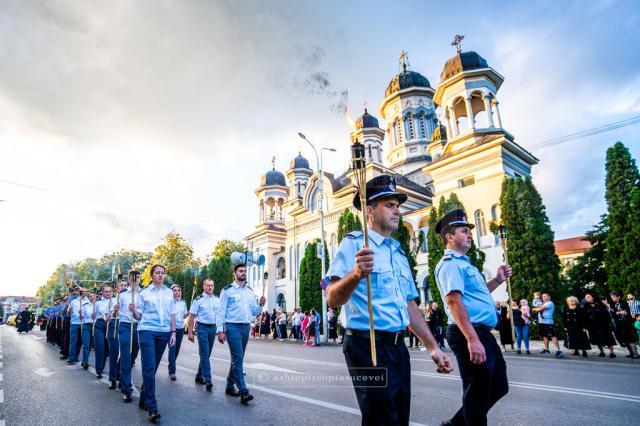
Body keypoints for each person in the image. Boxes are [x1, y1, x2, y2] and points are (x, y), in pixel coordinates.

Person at [325, 175, 452, 426]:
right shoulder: (353, 245)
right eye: (389, 205)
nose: (397, 211)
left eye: (397, 205)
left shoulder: (398, 252)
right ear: (369, 211)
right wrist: (356, 274)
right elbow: (332, 298)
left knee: (399, 416)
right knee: (381, 419)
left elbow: (410, 306)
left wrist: (433, 347)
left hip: (397, 346)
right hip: (366, 343)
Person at [434, 208, 512, 426]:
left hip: (480, 332)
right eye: (463, 231)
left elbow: (476, 297)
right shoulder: (450, 264)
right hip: (467, 331)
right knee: (476, 391)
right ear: (449, 237)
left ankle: (455, 424)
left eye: (469, 231)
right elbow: (454, 301)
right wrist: (472, 339)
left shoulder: (465, 264)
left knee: (498, 385)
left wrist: (497, 279)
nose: (469, 234)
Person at [132, 264, 177, 422]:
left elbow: (172, 313)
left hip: (164, 333)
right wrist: (133, 311)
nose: (160, 275)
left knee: (153, 368)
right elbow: (138, 316)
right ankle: (152, 407)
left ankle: (144, 398)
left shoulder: (169, 292)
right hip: (147, 331)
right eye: (157, 273)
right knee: (149, 367)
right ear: (151, 276)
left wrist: (173, 332)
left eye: (162, 273)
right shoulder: (144, 293)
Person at [217, 263, 266, 404]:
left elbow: (254, 311)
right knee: (238, 359)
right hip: (232, 327)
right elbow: (221, 311)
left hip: (246, 327)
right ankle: (243, 392)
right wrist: (220, 330)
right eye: (240, 271)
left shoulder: (250, 291)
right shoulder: (227, 290)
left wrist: (261, 305)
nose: (243, 273)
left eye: (245, 271)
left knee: (237, 358)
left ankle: (229, 385)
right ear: (234, 273)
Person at [188, 279, 219, 391]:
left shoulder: (217, 300)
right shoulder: (198, 300)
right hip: (202, 328)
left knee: (207, 354)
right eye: (208, 285)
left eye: (212, 285)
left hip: (213, 328)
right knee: (204, 354)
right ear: (204, 286)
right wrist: (190, 332)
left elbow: (220, 315)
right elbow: (192, 316)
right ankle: (208, 379)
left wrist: (221, 330)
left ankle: (199, 375)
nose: (210, 287)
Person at [114, 272, 140, 403]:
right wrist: (115, 310)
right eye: (133, 278)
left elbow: (142, 315)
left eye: (138, 278)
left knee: (133, 356)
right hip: (124, 326)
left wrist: (134, 310)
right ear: (129, 280)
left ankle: (120, 374)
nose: (135, 280)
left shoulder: (143, 294)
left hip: (138, 327)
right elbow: (114, 314)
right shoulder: (122, 294)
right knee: (125, 356)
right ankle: (126, 389)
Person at [94, 284, 117, 382]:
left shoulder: (116, 301)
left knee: (109, 349)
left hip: (112, 325)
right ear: (102, 292)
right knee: (100, 347)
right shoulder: (98, 303)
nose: (108, 293)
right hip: (100, 325)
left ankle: (115, 372)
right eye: (106, 291)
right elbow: (94, 315)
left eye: (109, 291)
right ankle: (99, 369)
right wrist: (104, 317)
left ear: (112, 292)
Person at [583, 293, 616, 358]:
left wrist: (609, 322)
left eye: (589, 296)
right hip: (592, 326)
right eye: (586, 297)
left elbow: (607, 314)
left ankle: (612, 353)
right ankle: (602, 352)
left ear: (592, 297)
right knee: (597, 340)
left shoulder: (599, 303)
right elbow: (584, 316)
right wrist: (585, 325)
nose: (587, 298)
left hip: (604, 325)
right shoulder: (586, 306)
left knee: (608, 339)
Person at [532, 293, 564, 358]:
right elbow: (536, 306)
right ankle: (546, 349)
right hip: (541, 322)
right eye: (543, 296)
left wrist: (535, 309)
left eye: (545, 296)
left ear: (549, 297)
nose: (543, 297)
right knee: (544, 336)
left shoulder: (550, 303)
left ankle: (558, 350)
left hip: (548, 322)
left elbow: (540, 309)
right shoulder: (543, 303)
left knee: (553, 336)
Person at [609, 291, 639, 359]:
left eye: (613, 297)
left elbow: (626, 313)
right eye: (611, 297)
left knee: (631, 338)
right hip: (619, 324)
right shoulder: (613, 304)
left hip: (627, 323)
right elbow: (613, 314)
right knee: (625, 339)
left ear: (618, 297)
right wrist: (619, 312)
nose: (612, 298)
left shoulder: (624, 303)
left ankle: (635, 354)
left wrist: (617, 313)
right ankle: (631, 353)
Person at [168, 284, 188, 381]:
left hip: (180, 328)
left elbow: (184, 316)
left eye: (178, 290)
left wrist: (188, 314)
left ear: (180, 292)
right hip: (171, 328)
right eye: (174, 290)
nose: (176, 292)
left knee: (176, 350)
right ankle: (172, 371)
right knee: (172, 349)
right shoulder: (168, 302)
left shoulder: (183, 303)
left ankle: (171, 366)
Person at [67, 290, 89, 365]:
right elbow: (69, 312)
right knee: (73, 340)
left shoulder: (88, 301)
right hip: (75, 322)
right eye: (82, 291)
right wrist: (70, 311)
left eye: (85, 291)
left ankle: (75, 356)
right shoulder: (73, 301)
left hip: (84, 323)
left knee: (80, 341)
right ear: (79, 292)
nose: (83, 292)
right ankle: (71, 357)